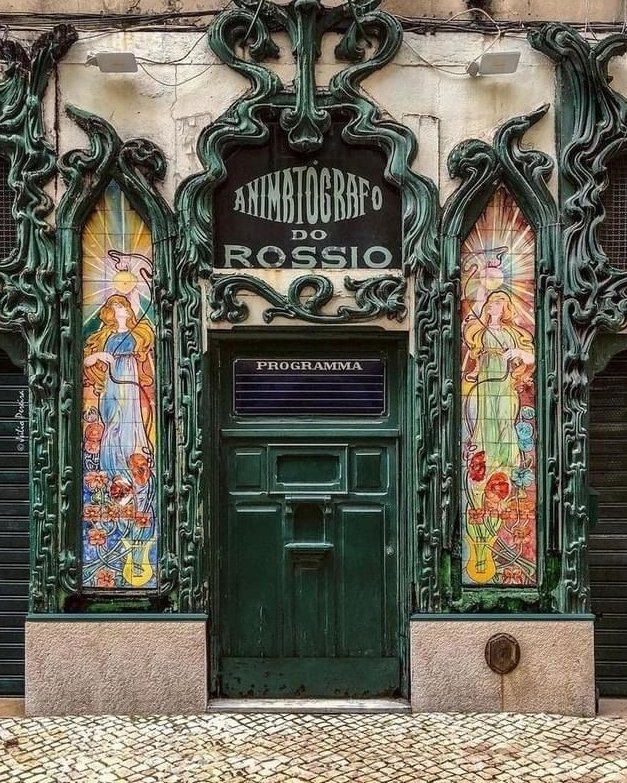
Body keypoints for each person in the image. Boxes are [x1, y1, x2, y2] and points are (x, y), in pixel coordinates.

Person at [461, 290, 535, 584]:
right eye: (492, 303)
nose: (495, 307)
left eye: (500, 303)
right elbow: (468, 331)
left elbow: (532, 354)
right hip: (484, 384)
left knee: (504, 424)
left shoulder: (512, 332)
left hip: (504, 385)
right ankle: (486, 463)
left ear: (506, 308)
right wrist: (478, 298)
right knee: (484, 427)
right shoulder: (480, 330)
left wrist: (517, 354)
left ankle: (503, 463)